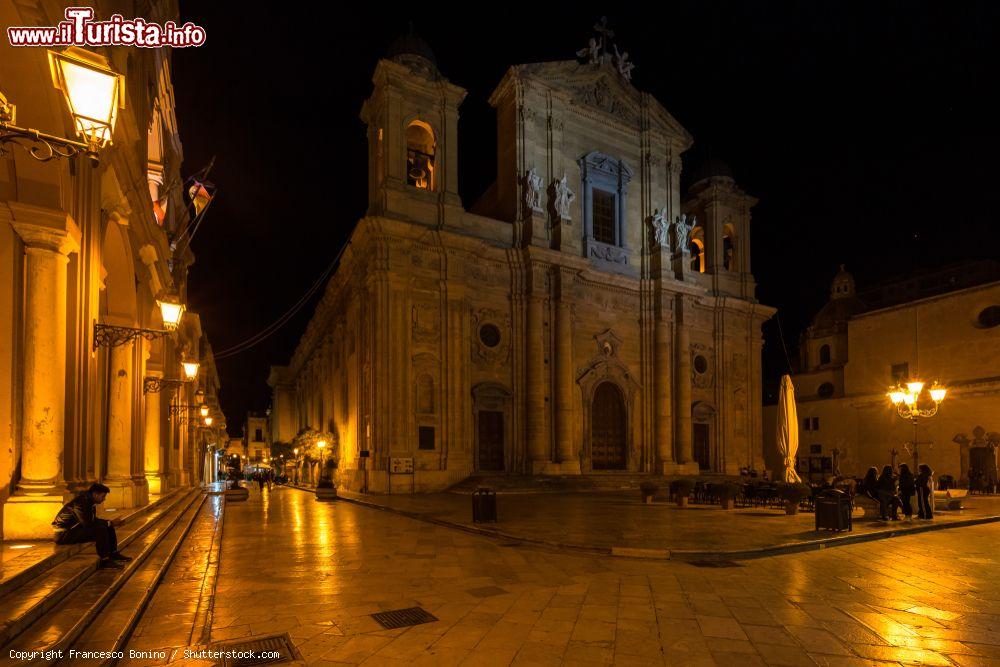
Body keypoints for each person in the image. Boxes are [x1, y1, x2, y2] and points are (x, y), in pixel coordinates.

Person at [52, 483, 133, 570]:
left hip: (73, 529)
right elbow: (88, 523)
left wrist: (109, 523)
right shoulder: (81, 502)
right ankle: (104, 561)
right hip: (63, 534)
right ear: (95, 494)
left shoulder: (88, 501)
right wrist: (109, 523)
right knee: (100, 529)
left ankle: (113, 554)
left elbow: (92, 520)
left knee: (107, 526)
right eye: (103, 496)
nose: (104, 499)